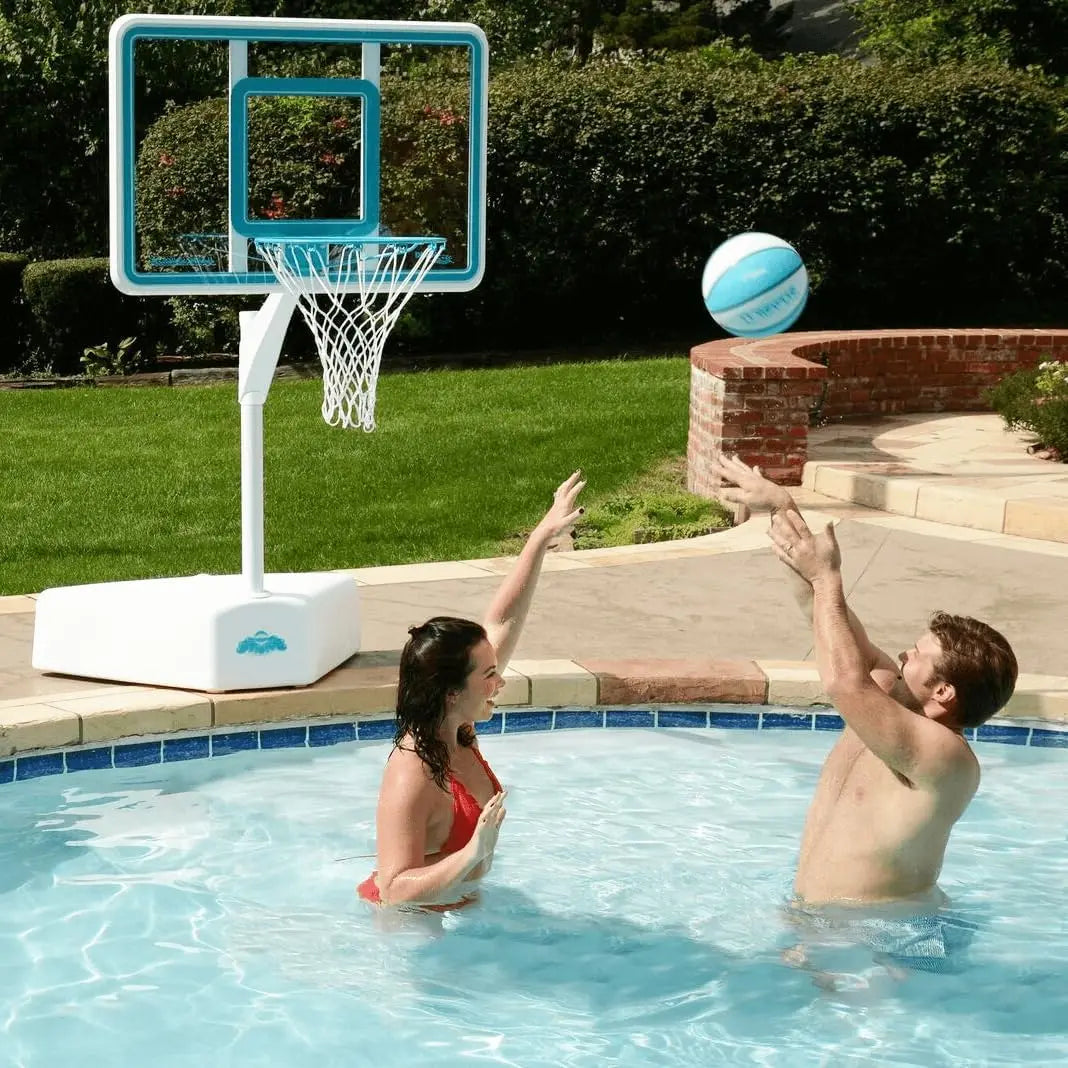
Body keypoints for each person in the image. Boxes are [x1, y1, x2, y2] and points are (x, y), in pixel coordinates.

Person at [711, 455, 1017, 971]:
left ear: (943, 691)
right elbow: (819, 606)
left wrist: (829, 576)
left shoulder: (947, 759)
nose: (903, 656)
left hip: (884, 941)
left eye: (918, 655)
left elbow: (840, 681)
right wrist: (782, 508)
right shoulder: (889, 693)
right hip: (826, 925)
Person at [358, 471, 586, 911]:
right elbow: (393, 887)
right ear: (450, 691)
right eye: (488, 674)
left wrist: (540, 538)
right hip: (414, 933)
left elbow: (501, 621)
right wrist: (472, 853)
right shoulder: (414, 771)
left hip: (458, 912)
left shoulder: (457, 726)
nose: (499, 681)